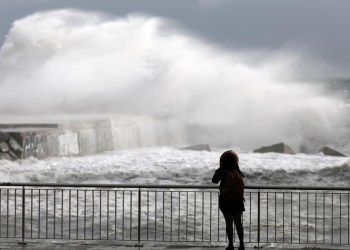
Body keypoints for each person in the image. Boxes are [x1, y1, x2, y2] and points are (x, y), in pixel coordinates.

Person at [212, 150, 245, 250]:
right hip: (238, 200)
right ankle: (242, 245)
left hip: (225, 200)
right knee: (238, 222)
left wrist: (220, 168)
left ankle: (231, 245)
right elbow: (242, 176)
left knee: (229, 222)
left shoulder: (222, 170)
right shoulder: (237, 170)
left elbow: (214, 180)